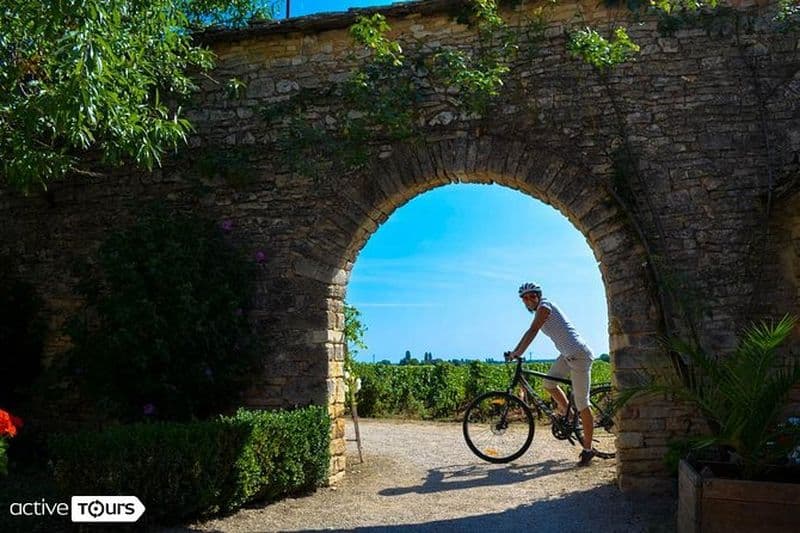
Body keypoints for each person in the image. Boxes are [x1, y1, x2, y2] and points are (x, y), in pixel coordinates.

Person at [504, 282, 596, 467]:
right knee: (548, 384)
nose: (528, 300)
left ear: (538, 296)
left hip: (578, 355)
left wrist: (517, 352)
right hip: (567, 355)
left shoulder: (545, 307)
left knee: (582, 402)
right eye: (525, 298)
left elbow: (532, 331)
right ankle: (570, 415)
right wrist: (517, 352)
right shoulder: (541, 308)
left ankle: (588, 449)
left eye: (532, 296)